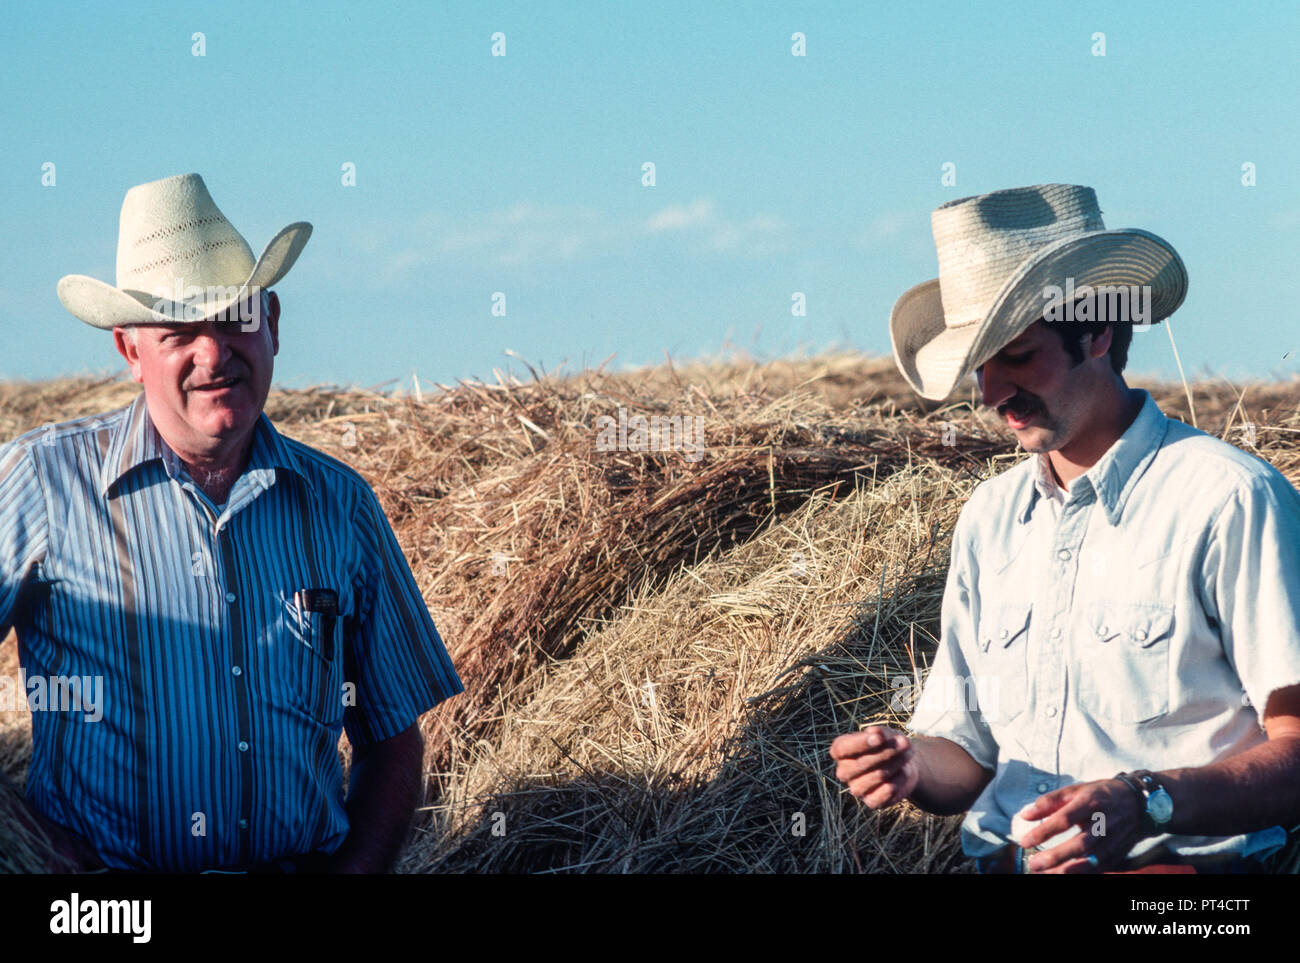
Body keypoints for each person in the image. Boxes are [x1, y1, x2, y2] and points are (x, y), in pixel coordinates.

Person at [830, 183, 1300, 873]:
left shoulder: (1229, 498)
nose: (991, 392)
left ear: (1098, 332)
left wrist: (1145, 800)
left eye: (1016, 354)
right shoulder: (989, 520)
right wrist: (908, 764)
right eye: (979, 366)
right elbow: (966, 755)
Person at [0, 173, 463, 872]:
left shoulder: (340, 505)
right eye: (181, 331)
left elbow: (393, 739)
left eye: (234, 318)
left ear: (271, 321)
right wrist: (35, 850)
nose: (214, 354)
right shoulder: (41, 482)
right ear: (131, 351)